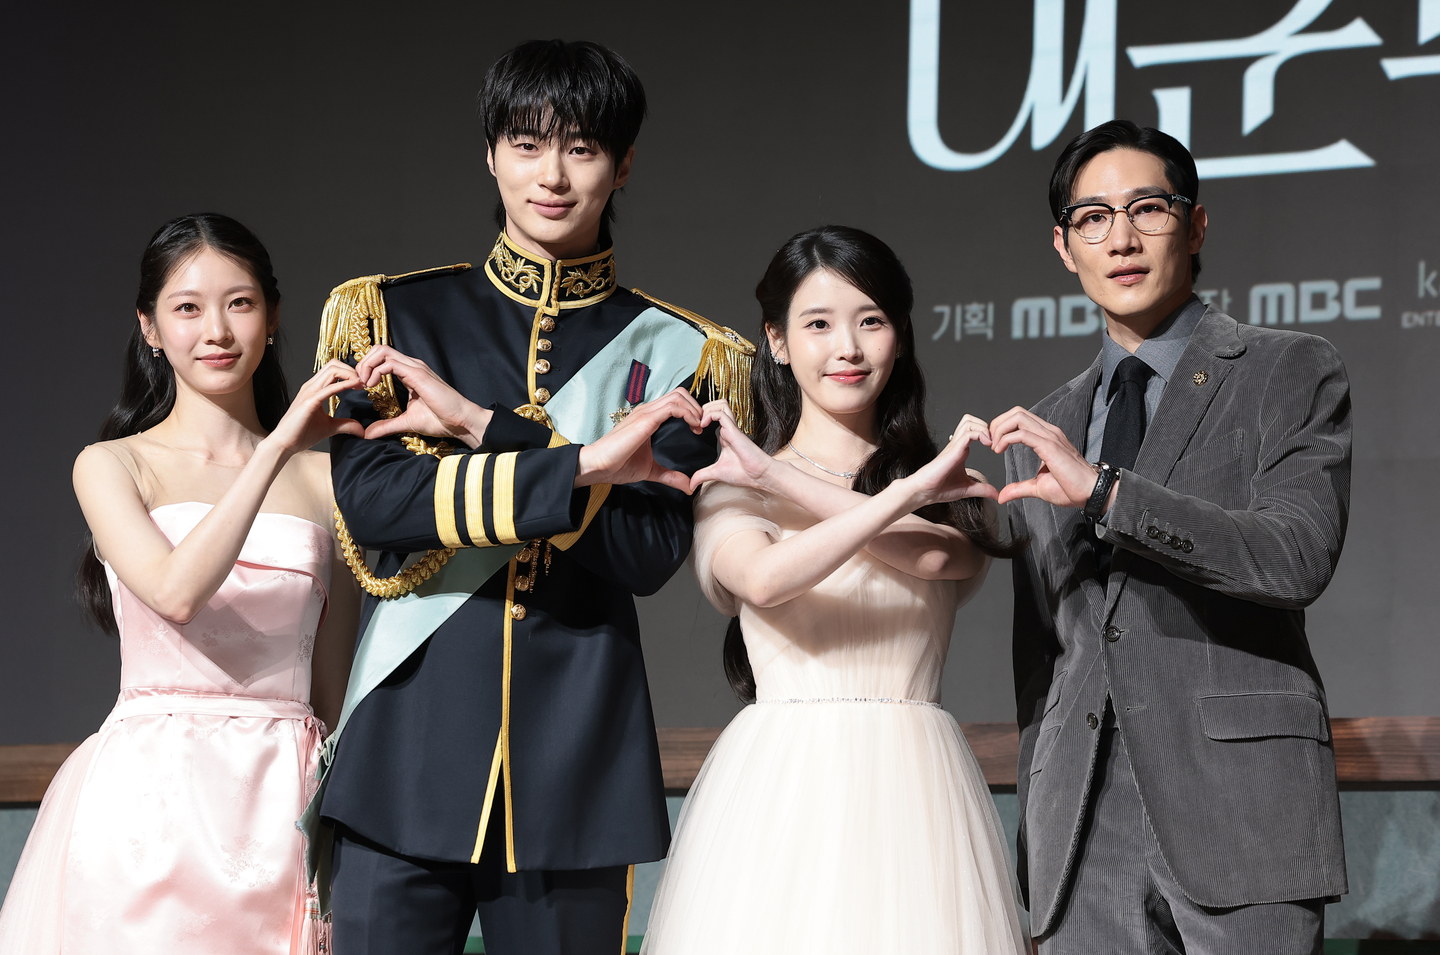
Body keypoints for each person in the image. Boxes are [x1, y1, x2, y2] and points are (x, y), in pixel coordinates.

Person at [307, 39, 753, 955]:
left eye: (582, 149)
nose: (551, 175)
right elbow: (378, 506)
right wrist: (589, 464)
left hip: (575, 773)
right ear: (490, 152)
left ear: (623, 165)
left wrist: (485, 428)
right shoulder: (390, 316)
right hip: (405, 752)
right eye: (525, 143)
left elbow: (643, 552)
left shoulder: (684, 353)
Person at [994, 120, 1351, 954]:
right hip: (1080, 830)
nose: (1120, 238)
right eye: (1092, 218)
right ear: (1063, 245)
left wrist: (1106, 492)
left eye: (1146, 208)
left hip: (1241, 811)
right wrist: (1035, 829)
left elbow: (1295, 552)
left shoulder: (1287, 368)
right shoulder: (1044, 424)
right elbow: (1040, 662)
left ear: (1193, 225)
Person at [641, 226, 1030, 954]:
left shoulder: (953, 487)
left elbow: (937, 558)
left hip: (915, 788)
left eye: (871, 321)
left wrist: (783, 478)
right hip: (781, 787)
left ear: (901, 335)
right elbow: (764, 578)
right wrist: (893, 487)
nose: (846, 348)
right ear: (778, 341)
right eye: (817, 323)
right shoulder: (734, 485)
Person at [0, 213, 362, 955]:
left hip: (282, 803)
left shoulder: (328, 482)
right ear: (151, 327)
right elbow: (175, 591)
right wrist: (279, 445)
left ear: (272, 315)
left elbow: (333, 695)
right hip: (148, 806)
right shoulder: (111, 465)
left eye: (240, 302)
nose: (217, 329)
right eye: (187, 307)